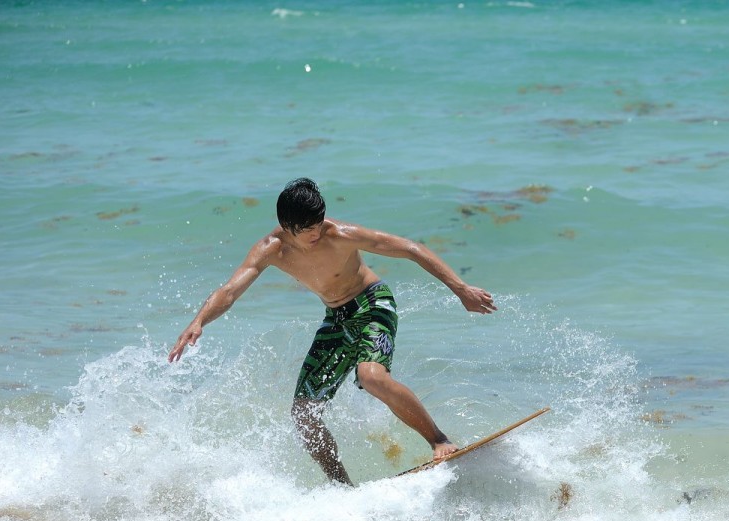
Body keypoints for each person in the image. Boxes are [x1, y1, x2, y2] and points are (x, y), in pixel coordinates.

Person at [168, 177, 496, 485]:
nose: (319, 231)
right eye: (310, 229)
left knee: (371, 376)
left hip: (372, 305)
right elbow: (230, 290)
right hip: (337, 318)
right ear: (288, 228)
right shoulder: (270, 249)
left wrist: (461, 288)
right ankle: (341, 486)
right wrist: (199, 321)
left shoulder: (339, 234)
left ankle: (440, 441)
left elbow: (409, 248)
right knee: (303, 414)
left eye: (320, 222)